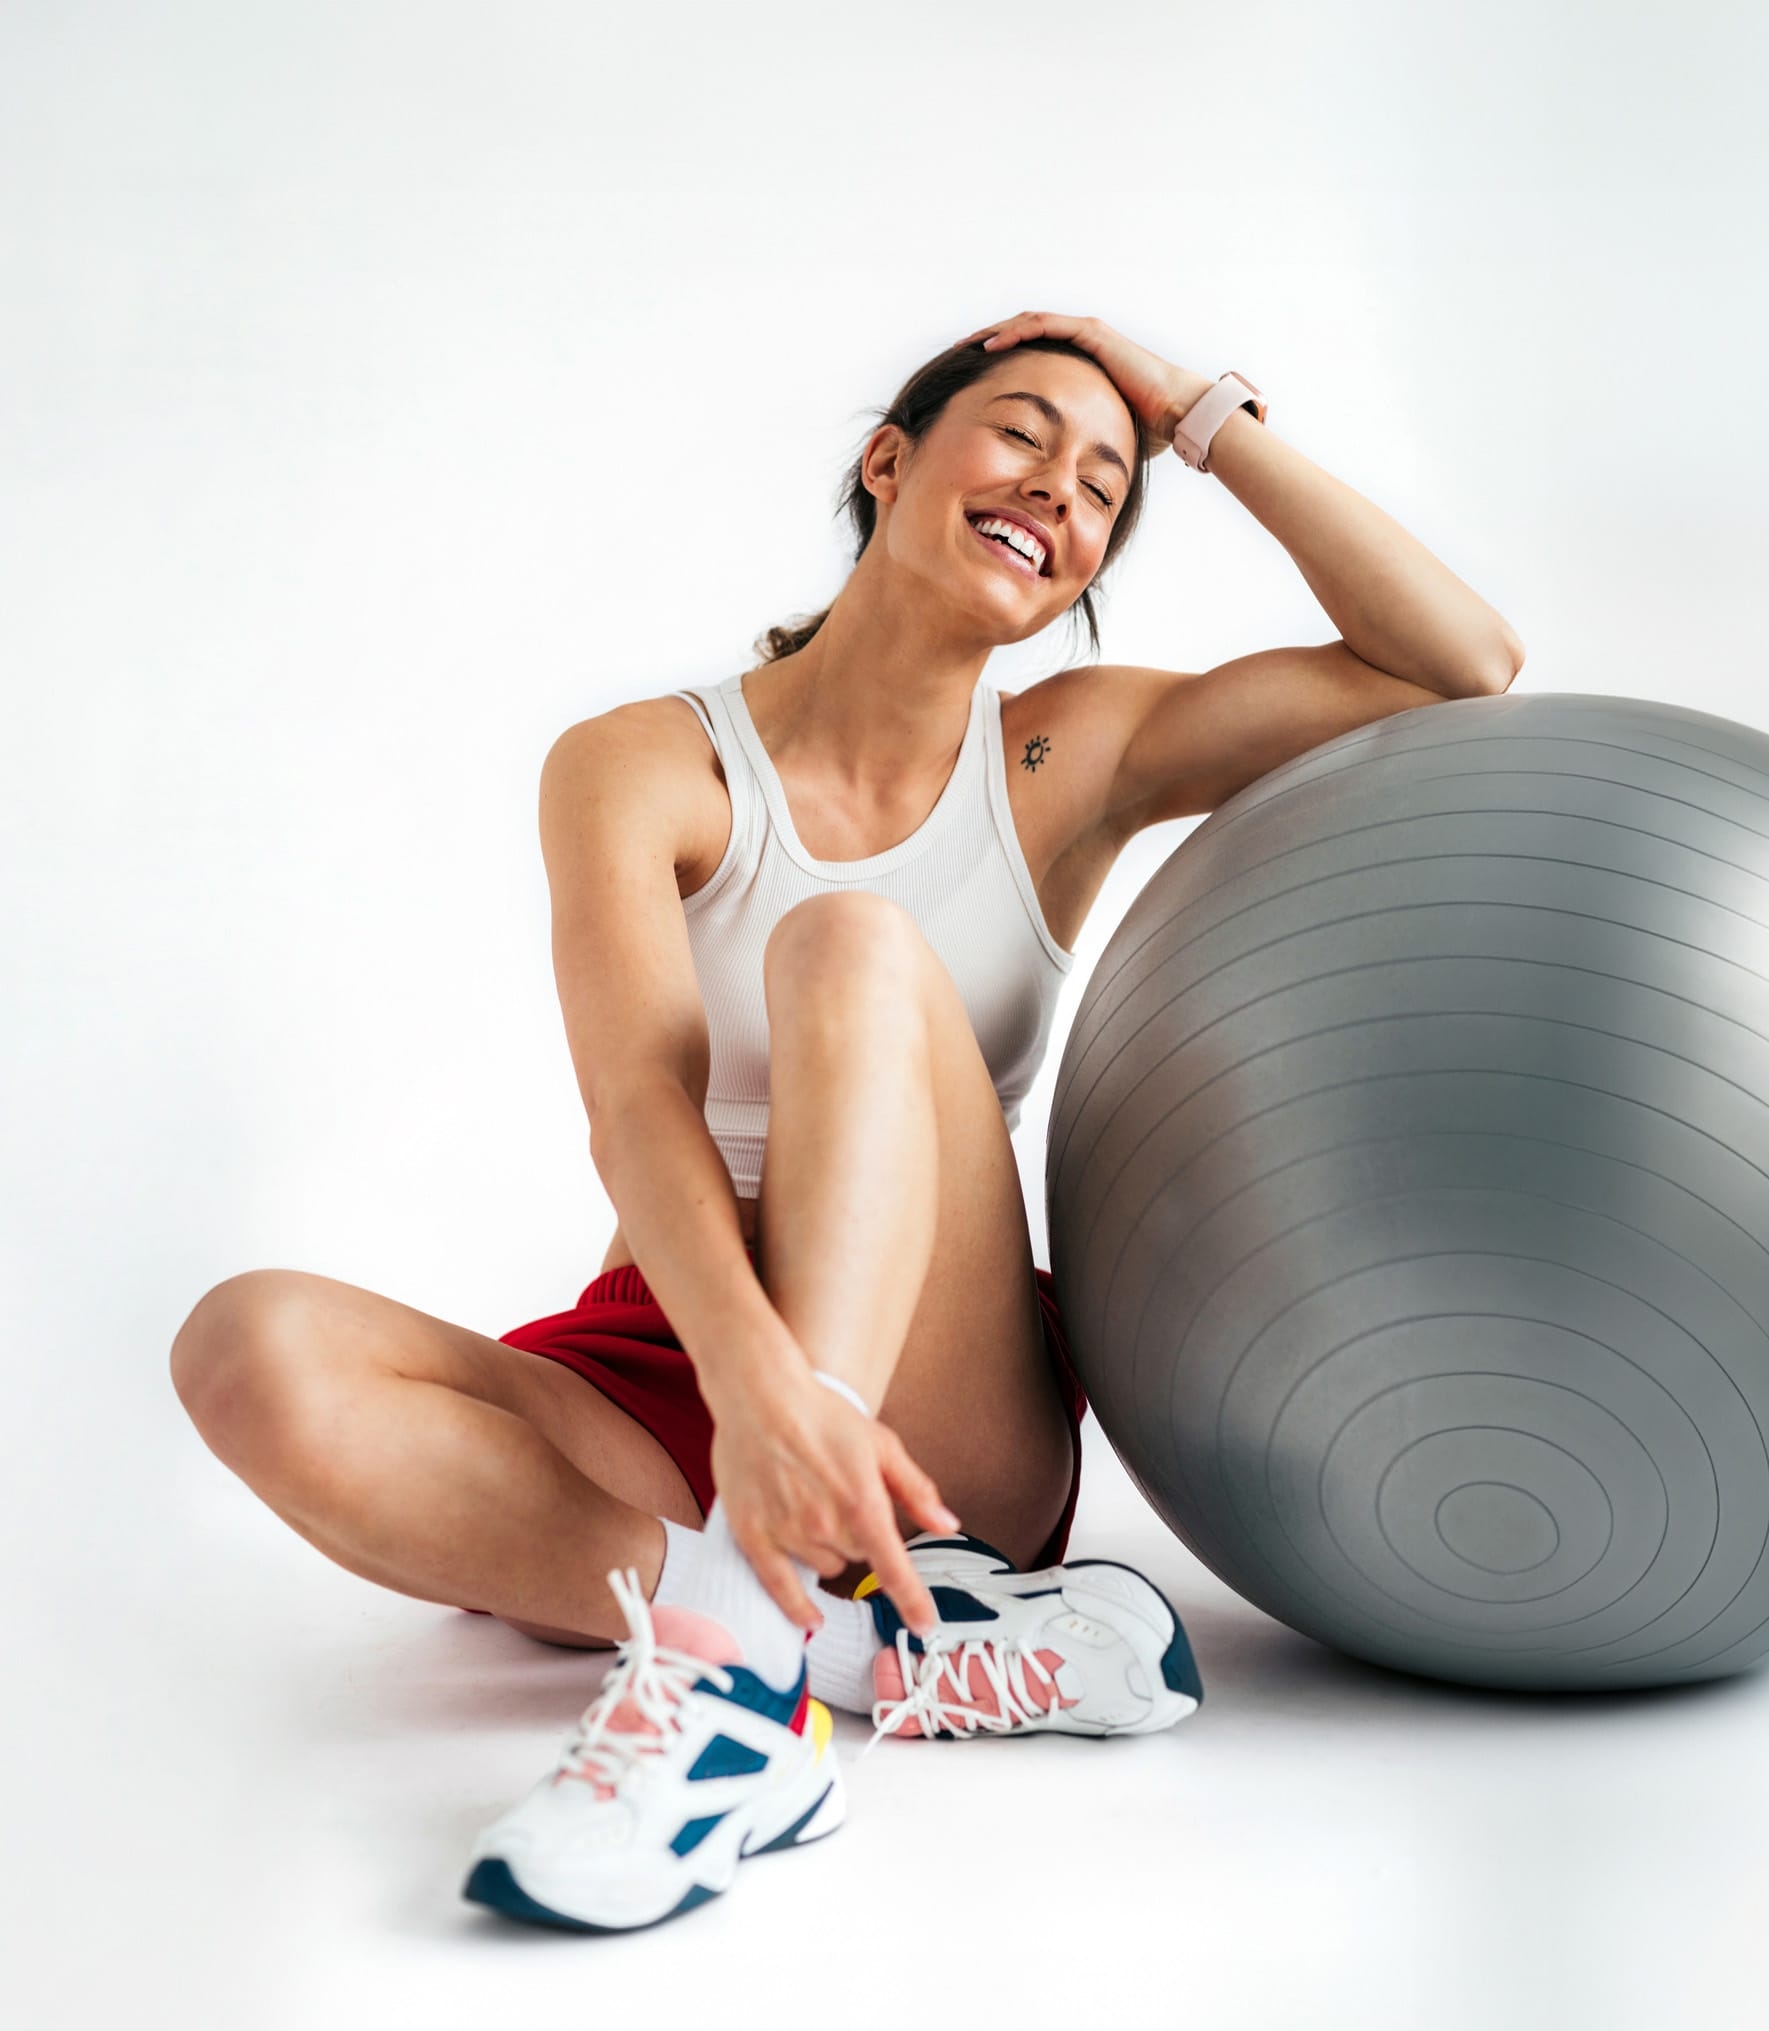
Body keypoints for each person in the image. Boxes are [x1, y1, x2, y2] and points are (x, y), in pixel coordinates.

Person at [169, 310, 1524, 1933]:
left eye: (1104, 483)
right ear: (890, 461)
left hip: (947, 1414)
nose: (1060, 490)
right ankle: (849, 1646)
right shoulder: (639, 766)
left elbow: (1459, 664)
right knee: (246, 1346)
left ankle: (730, 1696)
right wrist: (753, 1392)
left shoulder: (1066, 754)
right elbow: (633, 1105)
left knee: (852, 944)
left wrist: (1204, 418)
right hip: (676, 1358)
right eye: (1020, 433)